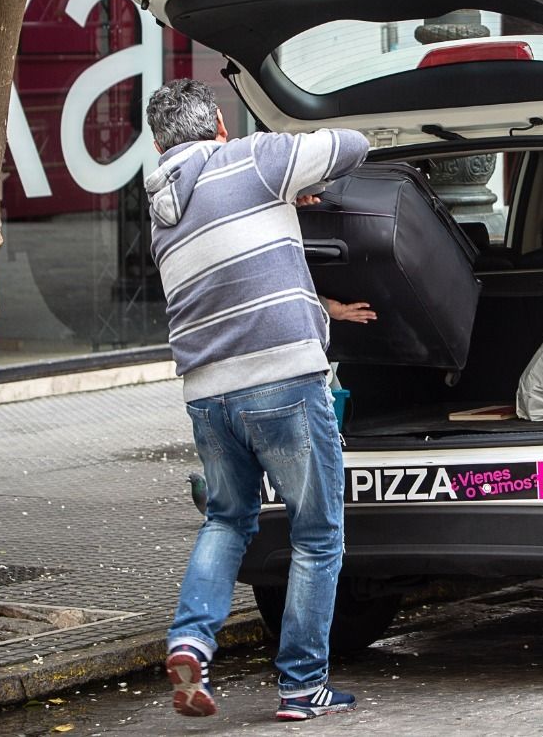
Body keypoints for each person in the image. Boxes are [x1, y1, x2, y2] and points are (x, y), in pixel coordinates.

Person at [144, 79, 375, 722]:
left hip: (207, 395)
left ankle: (191, 638)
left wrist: (283, 194)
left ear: (158, 140)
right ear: (219, 122)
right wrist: (282, 172)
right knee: (318, 533)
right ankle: (303, 688)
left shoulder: (163, 199)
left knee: (227, 520)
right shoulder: (249, 158)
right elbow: (350, 145)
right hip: (283, 383)